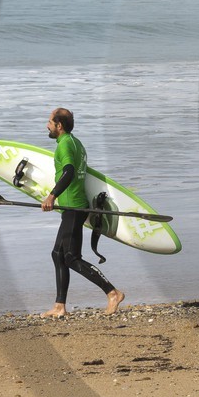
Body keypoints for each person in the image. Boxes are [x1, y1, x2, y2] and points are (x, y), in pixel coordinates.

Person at [40, 107, 126, 317]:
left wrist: (52, 195)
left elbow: (69, 171)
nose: (47, 125)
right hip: (75, 206)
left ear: (59, 125)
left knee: (71, 257)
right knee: (58, 254)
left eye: (50, 122)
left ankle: (112, 292)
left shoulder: (64, 146)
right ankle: (60, 306)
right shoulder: (76, 143)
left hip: (73, 206)